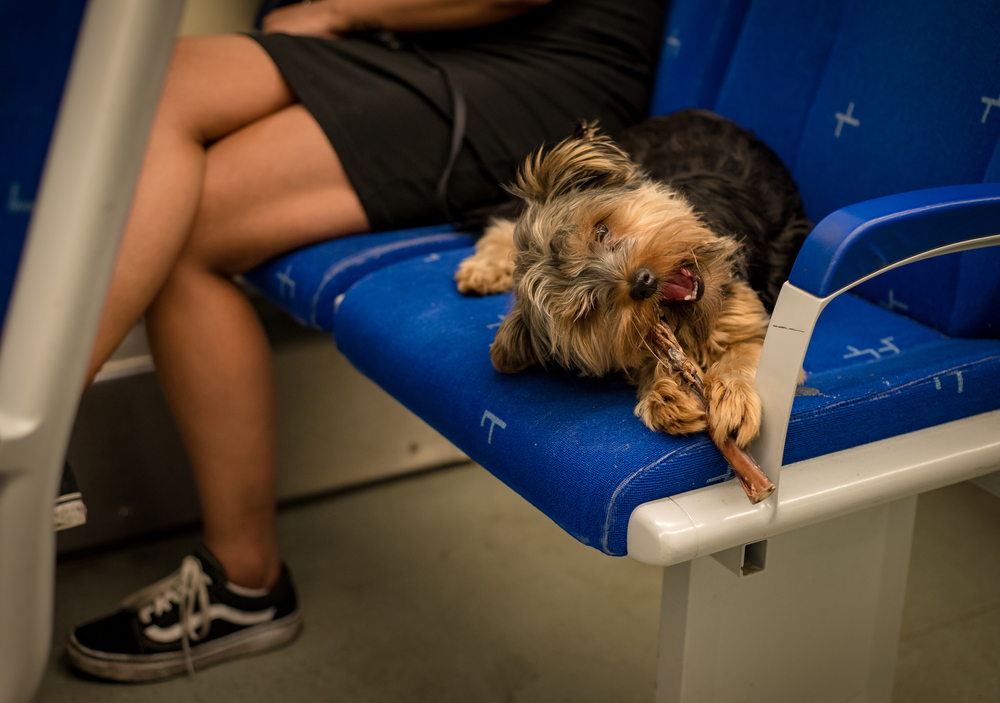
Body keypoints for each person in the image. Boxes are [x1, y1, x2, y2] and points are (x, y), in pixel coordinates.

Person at [65, 0, 665, 682]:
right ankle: (35, 429)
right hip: (413, 36)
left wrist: (339, 9)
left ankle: (37, 435)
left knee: (184, 228)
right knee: (154, 86)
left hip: (544, 60)